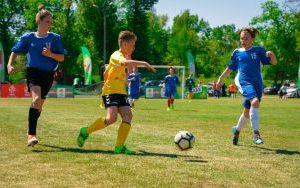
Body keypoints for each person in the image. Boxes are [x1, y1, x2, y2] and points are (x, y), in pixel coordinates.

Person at [77, 31, 156, 155]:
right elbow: (123, 63)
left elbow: (107, 72)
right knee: (111, 118)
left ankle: (119, 147)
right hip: (110, 92)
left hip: (121, 92)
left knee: (128, 116)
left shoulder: (122, 57)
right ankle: (85, 131)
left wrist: (115, 76)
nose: (134, 48)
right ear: (124, 44)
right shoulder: (116, 55)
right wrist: (144, 63)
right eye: (132, 45)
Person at [7, 5, 65, 147]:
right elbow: (15, 51)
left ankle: (31, 126)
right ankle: (31, 135)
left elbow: (61, 58)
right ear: (39, 21)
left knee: (38, 106)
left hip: (48, 75)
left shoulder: (55, 38)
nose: (50, 24)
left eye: (51, 22)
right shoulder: (28, 37)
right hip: (33, 72)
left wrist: (50, 54)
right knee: (36, 99)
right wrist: (9, 65)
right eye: (47, 21)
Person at [216, 26, 277, 145]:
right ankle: (256, 134)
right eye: (241, 38)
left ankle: (237, 130)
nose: (243, 40)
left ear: (252, 39)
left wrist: (272, 54)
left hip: (257, 83)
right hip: (244, 81)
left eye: (246, 38)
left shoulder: (259, 50)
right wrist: (220, 79)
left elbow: (273, 62)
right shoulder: (237, 53)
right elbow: (230, 69)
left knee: (247, 112)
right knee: (255, 102)